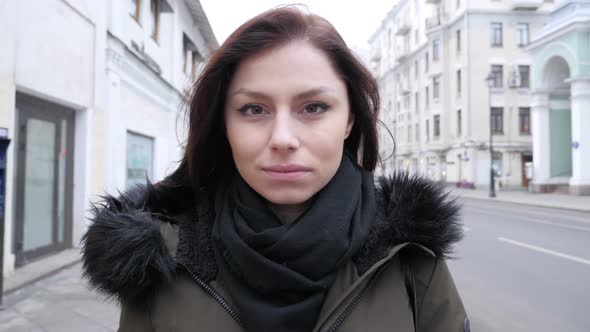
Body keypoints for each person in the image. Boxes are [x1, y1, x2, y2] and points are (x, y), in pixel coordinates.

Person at [82, 6, 468, 332]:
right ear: (224, 124)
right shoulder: (160, 258)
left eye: (314, 107)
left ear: (349, 120)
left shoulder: (409, 254)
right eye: (254, 109)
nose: (283, 138)